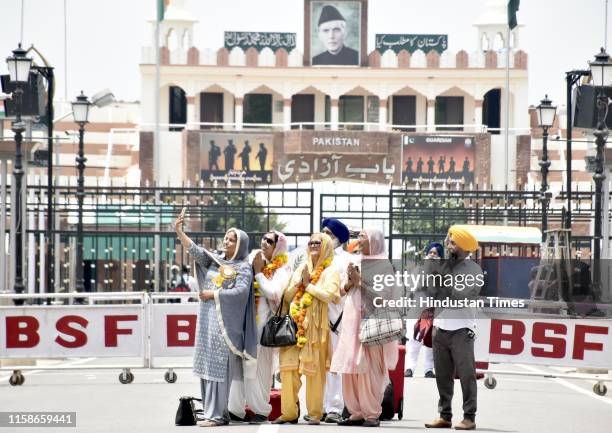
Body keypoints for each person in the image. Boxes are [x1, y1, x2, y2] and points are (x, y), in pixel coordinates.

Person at [174, 211, 257, 427]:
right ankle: (214, 412)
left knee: (220, 369)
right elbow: (196, 251)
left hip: (225, 326)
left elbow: (241, 293)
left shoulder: (244, 267)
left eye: (232, 239)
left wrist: (215, 294)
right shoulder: (216, 262)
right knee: (208, 367)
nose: (226, 241)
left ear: (240, 245)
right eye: (226, 237)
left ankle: (217, 415)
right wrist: (180, 232)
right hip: (208, 322)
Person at [331, 228, 400, 427]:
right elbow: (341, 292)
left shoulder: (383, 266)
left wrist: (360, 283)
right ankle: (356, 412)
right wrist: (349, 283)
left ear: (374, 241)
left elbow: (381, 297)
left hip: (372, 324)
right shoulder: (354, 261)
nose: (359, 239)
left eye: (363, 236)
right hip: (351, 322)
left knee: (369, 368)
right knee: (351, 366)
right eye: (359, 235)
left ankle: (371, 413)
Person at [273, 233, 340, 425]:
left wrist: (309, 285)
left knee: (314, 374)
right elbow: (287, 297)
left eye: (317, 243)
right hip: (294, 326)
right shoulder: (301, 268)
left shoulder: (331, 271)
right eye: (310, 242)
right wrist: (299, 284)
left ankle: (315, 413)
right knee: (288, 370)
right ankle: (289, 413)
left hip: (316, 331)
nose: (313, 245)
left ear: (326, 246)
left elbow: (329, 295)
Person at [228, 231, 292, 423]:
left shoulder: (282, 269)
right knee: (239, 368)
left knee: (260, 370)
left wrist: (258, 273)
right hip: (244, 326)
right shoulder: (253, 261)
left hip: (264, 330)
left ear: (278, 246)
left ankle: (261, 410)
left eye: (270, 241)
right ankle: (235, 409)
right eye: (263, 239)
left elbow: (274, 293)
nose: (264, 242)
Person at [424, 226, 482, 431]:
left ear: (464, 247)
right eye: (448, 240)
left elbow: (462, 297)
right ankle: (445, 415)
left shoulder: (474, 270)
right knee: (442, 375)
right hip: (440, 327)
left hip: (462, 329)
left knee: (466, 375)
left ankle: (469, 417)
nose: (448, 244)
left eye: (453, 241)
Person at [318, 218, 353, 424]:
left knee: (335, 366)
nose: (324, 237)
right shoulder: (315, 257)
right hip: (315, 319)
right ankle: (320, 406)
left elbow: (346, 289)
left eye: (328, 234)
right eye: (322, 232)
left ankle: (334, 407)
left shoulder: (346, 259)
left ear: (338, 239)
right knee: (318, 364)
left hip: (337, 320)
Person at [405, 242, 443, 378]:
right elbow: (413, 288)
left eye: (436, 253)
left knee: (429, 343)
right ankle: (409, 368)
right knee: (414, 341)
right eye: (430, 252)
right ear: (426, 254)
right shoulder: (418, 269)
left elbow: (437, 291)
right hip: (417, 309)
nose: (432, 255)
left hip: (432, 311)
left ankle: (428, 369)